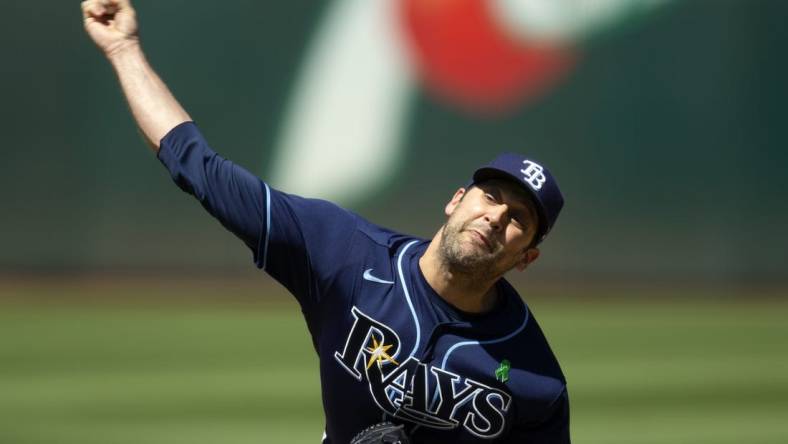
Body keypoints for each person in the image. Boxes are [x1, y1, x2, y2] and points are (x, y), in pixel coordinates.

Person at [82, 1, 570, 442]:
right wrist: (124, 49)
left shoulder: (536, 379)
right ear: (456, 199)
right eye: (489, 195)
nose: (494, 216)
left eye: (517, 218)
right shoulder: (344, 252)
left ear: (527, 256)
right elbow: (199, 168)